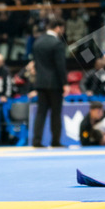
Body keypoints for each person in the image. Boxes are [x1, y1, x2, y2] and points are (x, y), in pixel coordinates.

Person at [31, 16, 68, 148]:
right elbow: (60, 66)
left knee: (41, 112)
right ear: (58, 28)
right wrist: (65, 83)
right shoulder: (57, 43)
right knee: (56, 113)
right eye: (62, 29)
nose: (63, 32)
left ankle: (36, 141)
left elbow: (36, 63)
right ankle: (55, 141)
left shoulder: (37, 42)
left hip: (40, 82)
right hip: (54, 83)